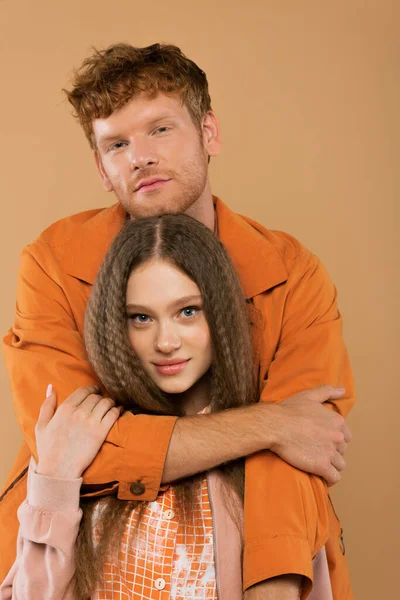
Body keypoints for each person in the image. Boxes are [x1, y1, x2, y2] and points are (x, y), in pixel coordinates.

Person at [0, 43, 354, 598]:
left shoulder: (292, 273)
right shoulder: (54, 262)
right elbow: (76, 451)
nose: (139, 156)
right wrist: (273, 423)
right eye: (117, 144)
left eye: (160, 130)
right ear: (100, 166)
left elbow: (301, 459)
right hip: (79, 556)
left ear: (209, 133)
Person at [1, 214, 334, 600]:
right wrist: (54, 482)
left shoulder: (273, 468)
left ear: (222, 312)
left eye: (188, 311)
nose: (165, 341)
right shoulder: (81, 444)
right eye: (141, 318)